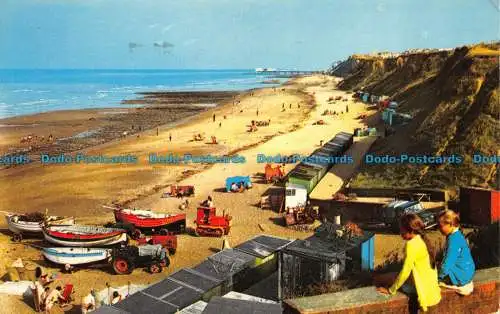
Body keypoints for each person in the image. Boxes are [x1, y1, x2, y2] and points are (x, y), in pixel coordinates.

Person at [376, 213, 441, 312]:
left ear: (410, 230)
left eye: (402, 230)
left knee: (382, 279)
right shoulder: (422, 240)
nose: (400, 232)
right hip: (432, 292)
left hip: (421, 292)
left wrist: (391, 290)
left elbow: (405, 271)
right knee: (390, 276)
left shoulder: (411, 245)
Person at [437, 210, 475, 296]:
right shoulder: (458, 235)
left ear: (450, 224)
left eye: (440, 226)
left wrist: (439, 276)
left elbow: (448, 261)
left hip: (460, 276)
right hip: (467, 272)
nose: (439, 229)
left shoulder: (453, 240)